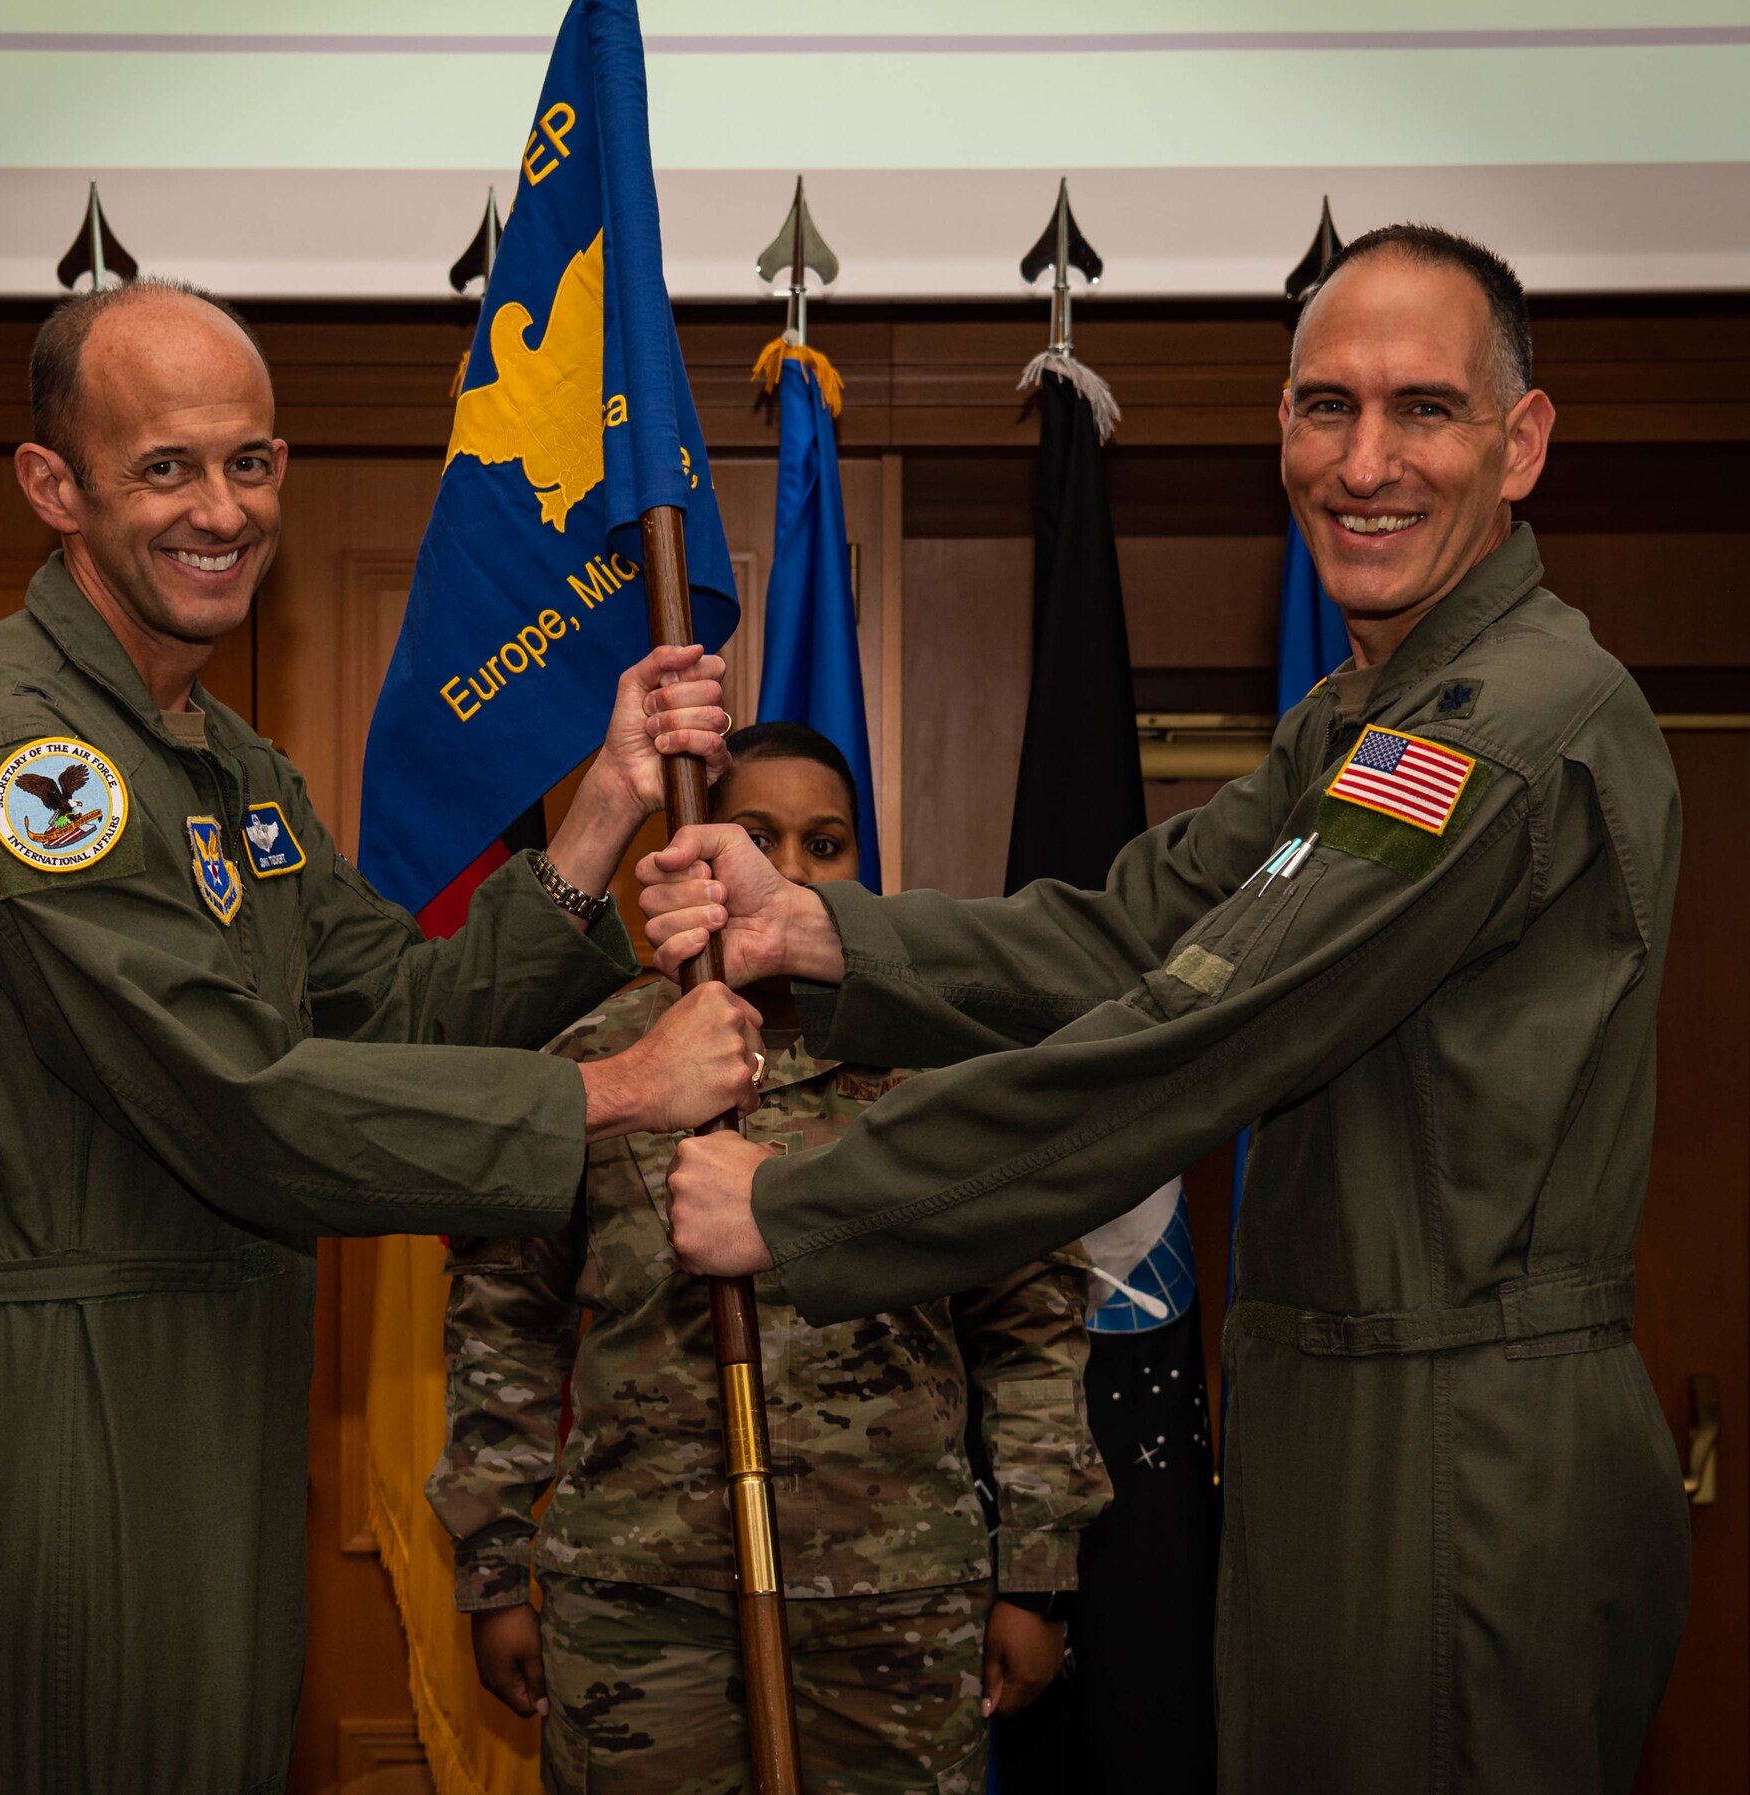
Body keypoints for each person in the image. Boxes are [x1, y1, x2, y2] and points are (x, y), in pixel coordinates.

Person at [640, 227, 1689, 1795]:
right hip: (1335, 1413)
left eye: (1425, 410)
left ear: (1520, 444)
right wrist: (819, 932)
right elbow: (1131, 926)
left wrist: (805, 1201)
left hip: (1464, 1446)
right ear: (1280, 429)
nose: (1366, 460)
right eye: (1327, 406)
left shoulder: (1503, 725)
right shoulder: (1358, 713)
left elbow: (1199, 1030)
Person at [0, 276, 762, 1793]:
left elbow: (409, 1013)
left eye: (253, 460)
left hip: (217, 1402)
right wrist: (616, 1092)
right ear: (53, 486)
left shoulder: (227, 763)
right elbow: (245, 1106)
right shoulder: (27, 759)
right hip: (70, 1411)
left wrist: (602, 805)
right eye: (168, 467)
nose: (223, 507)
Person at [428, 723, 1112, 1795]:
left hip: (890, 1593)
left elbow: (1030, 1328)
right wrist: (491, 1566)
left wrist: (1036, 1574)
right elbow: (505, 1317)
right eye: (756, 833)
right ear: (698, 847)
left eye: (825, 843)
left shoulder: (950, 1069)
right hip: (641, 1599)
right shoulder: (597, 1060)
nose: (790, 869)